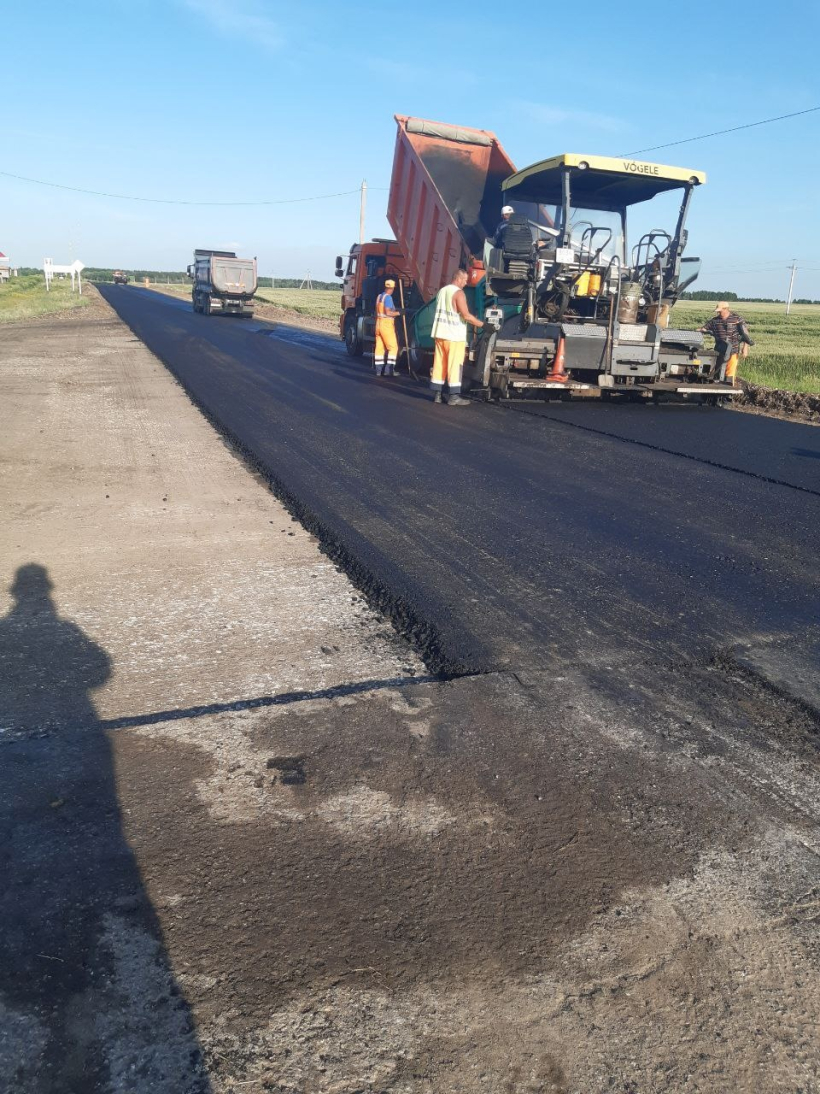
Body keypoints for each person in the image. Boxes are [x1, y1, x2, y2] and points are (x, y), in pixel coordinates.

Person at [430, 269, 484, 406]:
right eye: (465, 280)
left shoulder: (442, 291)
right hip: (454, 336)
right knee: (455, 365)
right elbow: (465, 315)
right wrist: (484, 325)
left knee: (439, 364)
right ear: (458, 279)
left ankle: (437, 394)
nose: (466, 283)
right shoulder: (459, 293)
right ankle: (454, 396)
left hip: (440, 334)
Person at [698, 301, 753, 385]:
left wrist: (745, 348)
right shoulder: (715, 321)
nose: (718, 312)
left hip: (733, 349)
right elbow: (705, 328)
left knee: (730, 371)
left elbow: (745, 334)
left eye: (720, 311)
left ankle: (729, 386)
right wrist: (700, 330)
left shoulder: (737, 319)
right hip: (719, 350)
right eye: (718, 311)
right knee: (718, 370)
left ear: (726, 309)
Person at [374, 278, 400, 376]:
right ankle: (389, 370)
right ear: (392, 288)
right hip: (386, 325)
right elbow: (388, 312)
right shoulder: (388, 298)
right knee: (393, 347)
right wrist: (399, 313)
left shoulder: (379, 296)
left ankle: (378, 370)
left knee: (379, 348)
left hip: (378, 324)